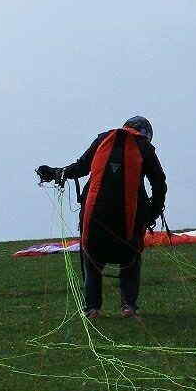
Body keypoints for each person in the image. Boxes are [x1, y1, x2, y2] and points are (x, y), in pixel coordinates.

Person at [37, 116, 167, 319]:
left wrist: (55, 173)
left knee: (91, 259)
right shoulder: (144, 147)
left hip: (95, 218)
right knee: (131, 259)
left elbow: (80, 167)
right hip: (129, 220)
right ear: (146, 134)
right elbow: (159, 183)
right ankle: (129, 306)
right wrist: (153, 212)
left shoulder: (103, 139)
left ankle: (92, 308)